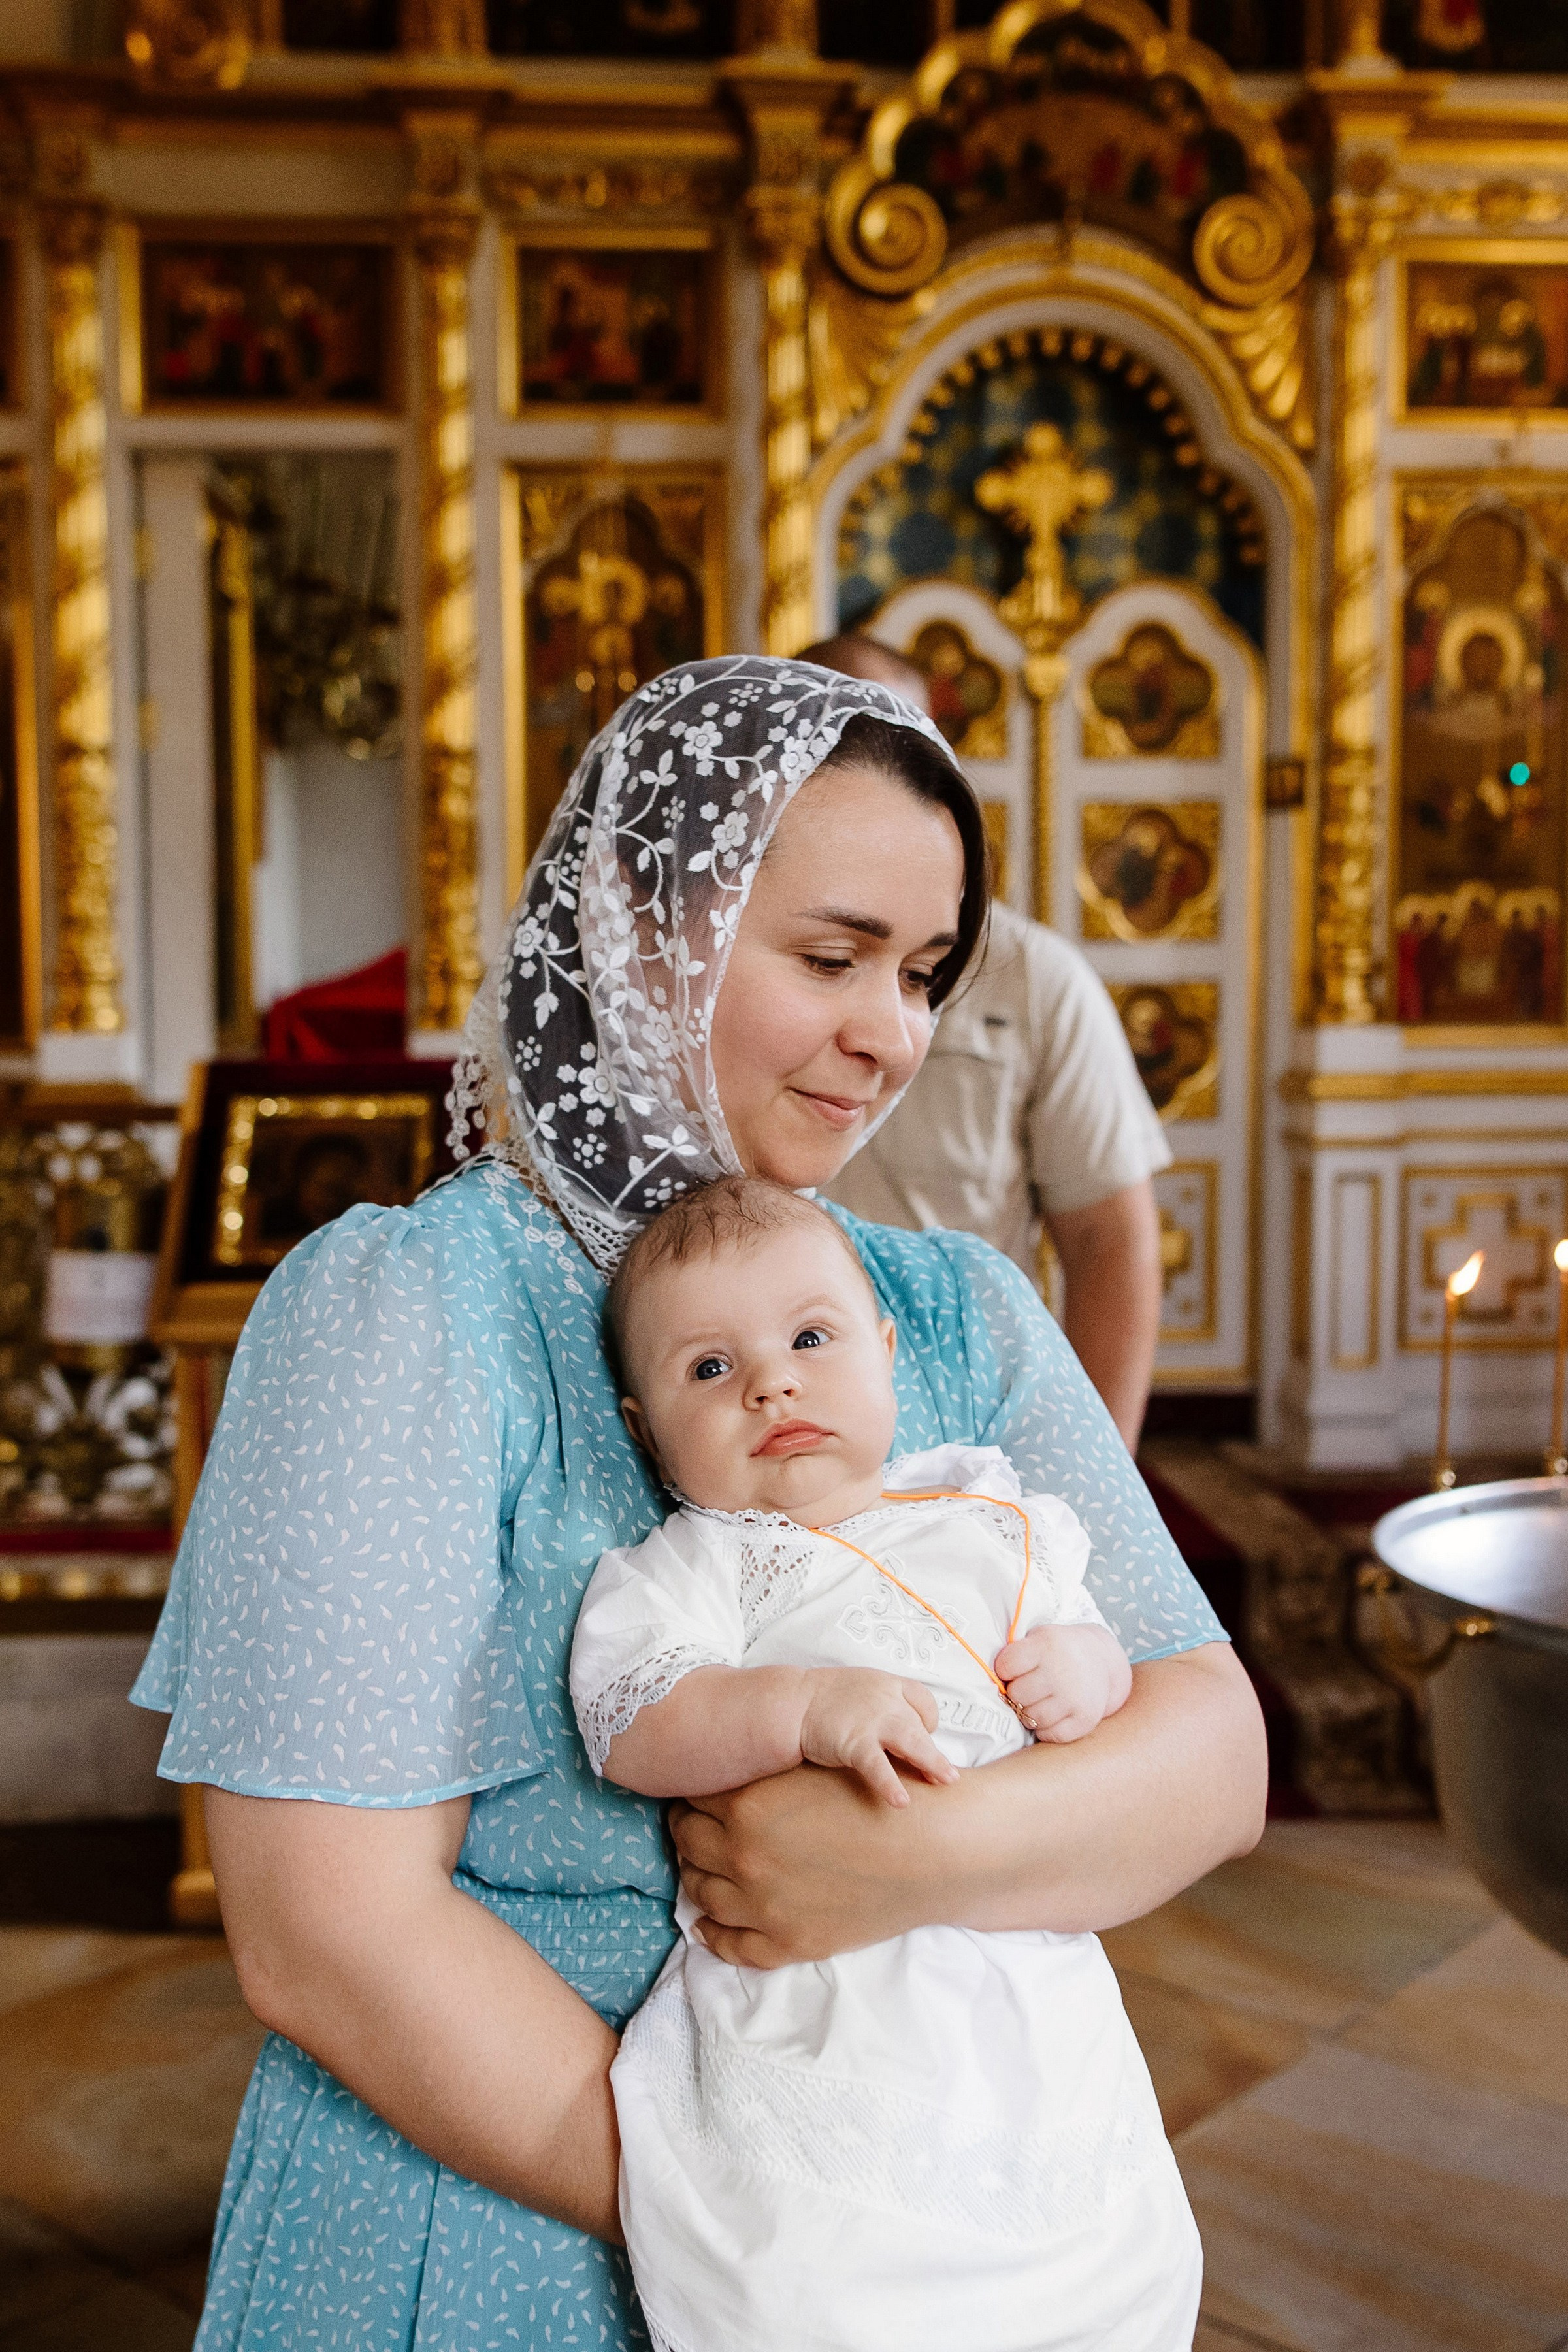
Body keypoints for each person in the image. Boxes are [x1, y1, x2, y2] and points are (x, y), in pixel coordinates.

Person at [131, 656, 1265, 2352]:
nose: (892, 1033)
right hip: (516, 2220)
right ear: (639, 925)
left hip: (939, 2238)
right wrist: (763, 2231)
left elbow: (1212, 1752)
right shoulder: (408, 1313)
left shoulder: (951, 1309)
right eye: (832, 957)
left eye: (926, 972)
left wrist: (916, 1861)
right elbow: (325, 1935)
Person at [572, 1173, 1200, 2352]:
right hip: (832, 1988)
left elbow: (1102, 1655)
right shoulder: (707, 1560)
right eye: (709, 1369)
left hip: (1023, 1967)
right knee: (823, 2279)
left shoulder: (993, 1511)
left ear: (888, 1349)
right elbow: (633, 1714)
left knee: (1094, 2253)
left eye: (812, 1337)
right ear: (639, 1423)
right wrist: (800, 1707)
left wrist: (1094, 1669)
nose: (773, 1381)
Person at [803, 634, 1169, 1448]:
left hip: (959, 1437)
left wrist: (1093, 1474)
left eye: (919, 978)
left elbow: (1110, 1241)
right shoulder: (714, 968)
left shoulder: (1038, 979)